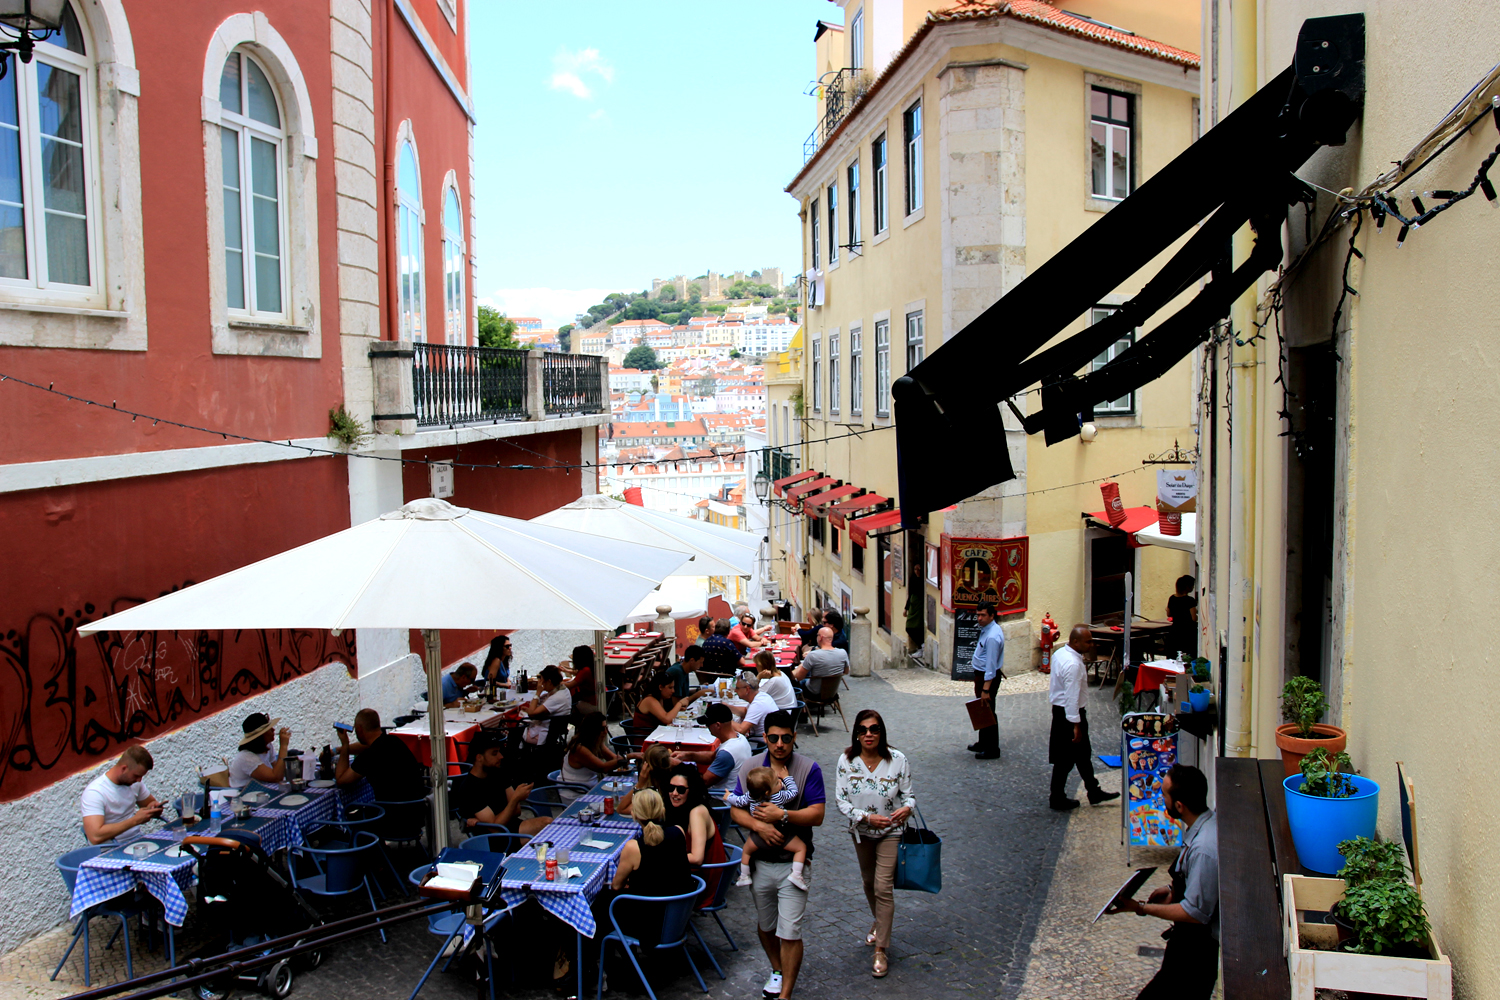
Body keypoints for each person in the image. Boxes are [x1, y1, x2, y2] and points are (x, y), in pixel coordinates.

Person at [728, 711, 826, 1000]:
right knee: (766, 926)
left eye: (786, 738)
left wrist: (782, 813)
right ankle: (777, 968)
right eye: (773, 738)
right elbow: (735, 809)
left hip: (792, 864)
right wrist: (759, 825)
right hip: (760, 863)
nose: (780, 744)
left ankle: (785, 995)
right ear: (766, 738)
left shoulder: (809, 769)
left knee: (790, 931)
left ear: (794, 737)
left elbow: (817, 814)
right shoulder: (750, 767)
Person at [1110, 764, 1219, 999]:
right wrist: (1172, 890)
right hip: (1186, 949)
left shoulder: (1203, 848)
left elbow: (1195, 913)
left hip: (1194, 957)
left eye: (1165, 796)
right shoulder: (1204, 828)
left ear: (1179, 806)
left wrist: (1140, 907)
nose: (1162, 801)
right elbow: (1202, 883)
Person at [835, 709, 914, 978]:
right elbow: (841, 801)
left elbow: (909, 796)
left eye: (874, 729)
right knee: (868, 882)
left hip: (891, 831)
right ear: (856, 733)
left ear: (882, 732)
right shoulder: (846, 761)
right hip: (862, 832)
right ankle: (878, 922)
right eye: (863, 729)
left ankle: (881, 948)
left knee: (883, 886)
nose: (869, 734)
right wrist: (866, 817)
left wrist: (908, 809)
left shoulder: (898, 759)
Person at [1048, 625, 1120, 810]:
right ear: (1075, 642)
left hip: (1063, 711)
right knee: (1065, 759)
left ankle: (1093, 790)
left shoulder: (1060, 654)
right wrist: (1075, 723)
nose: (1091, 644)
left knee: (1082, 754)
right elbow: (1071, 696)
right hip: (1069, 714)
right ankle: (1057, 797)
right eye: (1087, 641)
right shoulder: (1072, 665)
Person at [449, 731, 552, 837]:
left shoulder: (498, 773)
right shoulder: (470, 788)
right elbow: (495, 828)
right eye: (494, 753)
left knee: (549, 826)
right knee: (546, 824)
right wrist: (515, 799)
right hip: (495, 839)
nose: (500, 756)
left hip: (512, 827)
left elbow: (517, 811)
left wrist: (505, 811)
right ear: (479, 757)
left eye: (499, 752)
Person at [727, 766, 809, 889]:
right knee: (801, 848)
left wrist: (728, 797)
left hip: (757, 836)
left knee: (746, 850)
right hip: (781, 833)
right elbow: (793, 792)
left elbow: (739, 801)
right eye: (776, 782)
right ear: (767, 792)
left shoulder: (750, 796)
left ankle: (744, 875)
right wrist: (786, 778)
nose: (779, 782)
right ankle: (796, 874)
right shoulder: (779, 796)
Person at [333, 708, 424, 802]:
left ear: (359, 729)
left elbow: (341, 780)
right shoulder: (394, 740)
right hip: (417, 804)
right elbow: (365, 746)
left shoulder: (370, 756)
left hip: (393, 811)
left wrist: (345, 745)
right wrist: (337, 750)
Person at [81, 746, 161, 845]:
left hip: (137, 841)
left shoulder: (134, 783)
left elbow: (148, 803)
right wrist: (135, 820)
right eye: (136, 776)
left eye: (141, 776)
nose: (139, 780)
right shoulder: (95, 792)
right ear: (124, 768)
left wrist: (154, 807)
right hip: (111, 849)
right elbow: (95, 836)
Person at [664, 764, 727, 887]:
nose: (674, 793)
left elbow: (697, 858)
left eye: (681, 790)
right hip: (689, 874)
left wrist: (662, 857)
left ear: (691, 790)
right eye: (671, 788)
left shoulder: (697, 812)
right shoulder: (678, 809)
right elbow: (624, 809)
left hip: (701, 883)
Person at [672, 702, 754, 792]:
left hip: (721, 799)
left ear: (717, 725)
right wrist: (688, 755)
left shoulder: (727, 753)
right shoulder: (739, 738)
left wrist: (679, 766)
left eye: (708, 724)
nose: (707, 727)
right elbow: (713, 756)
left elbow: (704, 782)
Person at [968, 601, 1004, 759]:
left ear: (991, 616)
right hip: (981, 676)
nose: (979, 618)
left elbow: (991, 665)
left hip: (986, 678)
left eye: (983, 615)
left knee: (988, 712)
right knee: (983, 710)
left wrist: (986, 689)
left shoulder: (992, 637)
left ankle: (992, 748)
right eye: (978, 615)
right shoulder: (988, 629)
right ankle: (983, 742)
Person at [228, 713, 292, 788]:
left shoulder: (267, 746)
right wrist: (283, 746)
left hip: (261, 788)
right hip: (242, 793)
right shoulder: (246, 757)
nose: (273, 729)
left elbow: (278, 770)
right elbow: (276, 777)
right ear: (260, 735)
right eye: (269, 728)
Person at [561, 711, 624, 785]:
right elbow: (603, 768)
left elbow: (614, 759)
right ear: (593, 730)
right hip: (575, 792)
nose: (606, 732)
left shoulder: (596, 743)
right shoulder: (579, 748)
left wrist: (623, 760)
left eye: (606, 728)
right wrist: (628, 757)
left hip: (589, 787)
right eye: (602, 729)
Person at [631, 670, 707, 730]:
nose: (673, 691)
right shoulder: (649, 700)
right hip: (645, 740)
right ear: (660, 687)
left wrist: (677, 710)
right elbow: (666, 719)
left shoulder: (660, 698)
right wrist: (679, 703)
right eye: (670, 688)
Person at [521, 665, 572, 746]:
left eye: (542, 681)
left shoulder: (557, 698)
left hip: (548, 732)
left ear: (549, 681)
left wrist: (538, 692)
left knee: (516, 729)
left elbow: (532, 713)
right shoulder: (563, 690)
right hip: (553, 727)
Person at [792, 626, 849, 694]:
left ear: (820, 637)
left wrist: (800, 666)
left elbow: (799, 677)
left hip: (814, 692)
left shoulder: (813, 655)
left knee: (794, 682)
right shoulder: (843, 653)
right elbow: (846, 671)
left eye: (817, 635)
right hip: (832, 691)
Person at [731, 670, 778, 738]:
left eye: (737, 688)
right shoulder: (762, 695)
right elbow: (746, 711)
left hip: (760, 744)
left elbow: (741, 730)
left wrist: (722, 719)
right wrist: (726, 707)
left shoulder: (757, 704)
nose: (735, 690)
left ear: (747, 689)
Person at [1166, 575, 1199, 659]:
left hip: (1175, 629)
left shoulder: (1172, 598)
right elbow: (1194, 618)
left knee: (1175, 655)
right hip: (1188, 631)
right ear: (1187, 587)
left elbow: (1169, 614)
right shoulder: (1190, 600)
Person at [560, 645, 598, 714]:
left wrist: (555, 681)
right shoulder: (590, 667)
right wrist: (567, 670)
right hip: (599, 700)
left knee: (568, 708)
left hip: (592, 703)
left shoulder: (585, 671)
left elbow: (569, 685)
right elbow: (579, 673)